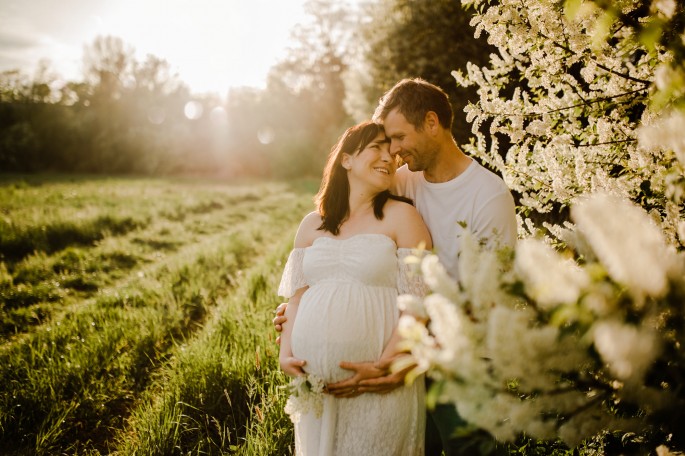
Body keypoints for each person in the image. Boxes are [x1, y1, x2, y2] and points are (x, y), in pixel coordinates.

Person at [275, 78, 518, 455]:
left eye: (399, 138)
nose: (394, 152)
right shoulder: (401, 181)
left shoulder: (488, 196)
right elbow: (354, 242)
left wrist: (408, 356)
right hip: (399, 351)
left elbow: (485, 300)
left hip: (460, 360)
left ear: (432, 123)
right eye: (386, 144)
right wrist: (306, 311)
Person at [278, 120, 432, 455]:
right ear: (346, 159)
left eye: (391, 151)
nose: (389, 157)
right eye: (376, 147)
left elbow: (417, 304)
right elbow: (297, 296)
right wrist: (285, 353)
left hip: (378, 384)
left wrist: (384, 365)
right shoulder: (311, 224)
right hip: (316, 388)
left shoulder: (402, 217)